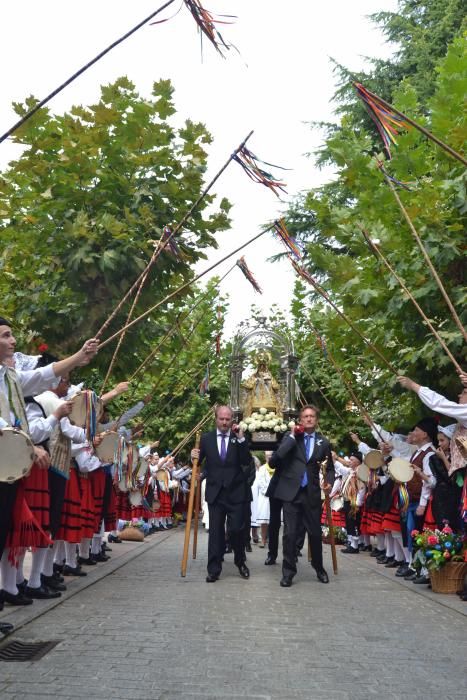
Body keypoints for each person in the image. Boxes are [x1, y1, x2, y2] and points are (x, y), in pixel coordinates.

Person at [269, 404, 334, 587]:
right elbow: (275, 460)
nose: (308, 419)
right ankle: (288, 572)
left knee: (314, 534)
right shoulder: (290, 438)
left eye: (312, 416)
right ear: (300, 420)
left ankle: (319, 567)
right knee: (289, 534)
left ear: (316, 419)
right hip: (291, 493)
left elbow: (329, 469)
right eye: (305, 416)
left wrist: (329, 481)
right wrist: (290, 436)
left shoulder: (324, 442)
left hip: (311, 493)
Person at [191, 405, 253, 583]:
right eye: (221, 419)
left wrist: (241, 439)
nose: (225, 422)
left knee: (236, 531)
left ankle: (240, 561)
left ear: (232, 419)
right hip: (216, 493)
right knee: (215, 533)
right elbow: (198, 460)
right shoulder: (206, 439)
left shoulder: (238, 437)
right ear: (216, 418)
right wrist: (192, 455)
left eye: (228, 419)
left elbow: (246, 461)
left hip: (236, 492)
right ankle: (214, 568)